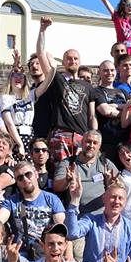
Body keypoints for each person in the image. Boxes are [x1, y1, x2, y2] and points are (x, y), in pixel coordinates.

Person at [35, 17, 97, 163]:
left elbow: (92, 116)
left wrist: (94, 136)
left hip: (82, 137)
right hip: (61, 135)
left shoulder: (88, 86)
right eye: (69, 58)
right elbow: (40, 54)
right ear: (63, 62)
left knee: (80, 173)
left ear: (79, 61)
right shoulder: (57, 79)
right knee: (60, 172)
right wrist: (42, 30)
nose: (72, 61)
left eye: (75, 58)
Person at [65, 173, 131, 262]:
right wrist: (75, 200)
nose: (116, 201)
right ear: (104, 199)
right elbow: (72, 233)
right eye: (113, 197)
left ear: (125, 202)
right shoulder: (91, 220)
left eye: (120, 198)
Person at [0, 161, 66, 258]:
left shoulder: (52, 199)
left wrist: (67, 253)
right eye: (20, 178)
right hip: (20, 253)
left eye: (28, 174)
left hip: (46, 252)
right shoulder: (12, 201)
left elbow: (62, 229)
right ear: (17, 183)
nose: (25, 179)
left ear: (36, 174)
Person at [53, 130, 119, 214]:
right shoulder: (68, 163)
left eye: (95, 143)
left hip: (100, 216)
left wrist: (112, 184)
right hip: (76, 215)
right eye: (88, 142)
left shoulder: (105, 163)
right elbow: (57, 187)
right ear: (82, 143)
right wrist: (67, 180)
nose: (91, 145)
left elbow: (121, 187)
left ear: (99, 146)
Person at [93, 60, 131, 156]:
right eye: (106, 70)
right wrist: (125, 109)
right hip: (107, 143)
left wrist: (113, 106)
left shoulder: (123, 91)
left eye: (112, 70)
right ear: (99, 72)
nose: (109, 73)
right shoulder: (96, 91)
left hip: (125, 142)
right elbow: (105, 111)